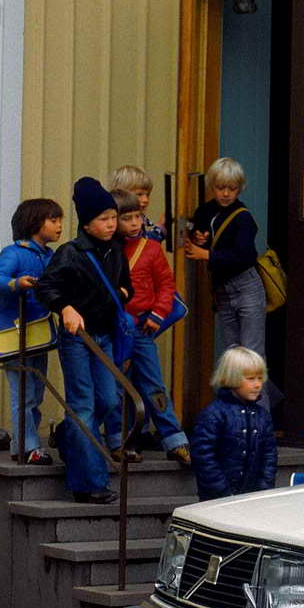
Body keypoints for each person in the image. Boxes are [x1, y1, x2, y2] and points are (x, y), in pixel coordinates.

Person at [33, 177, 134, 504]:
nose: (111, 224)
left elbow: (127, 286)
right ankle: (89, 484)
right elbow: (46, 287)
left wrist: (122, 293)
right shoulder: (71, 253)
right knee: (83, 404)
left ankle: (67, 435)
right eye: (104, 219)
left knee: (108, 400)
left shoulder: (116, 251)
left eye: (113, 217)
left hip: (105, 336)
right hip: (77, 338)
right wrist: (65, 307)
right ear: (87, 223)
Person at [114, 190, 191, 466]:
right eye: (127, 218)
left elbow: (167, 285)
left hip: (143, 327)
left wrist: (158, 314)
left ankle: (175, 440)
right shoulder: (107, 250)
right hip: (116, 327)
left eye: (138, 217)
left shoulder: (151, 249)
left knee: (153, 383)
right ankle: (121, 441)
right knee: (116, 386)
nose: (135, 223)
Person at [0, 197, 63, 463]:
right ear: (34, 223)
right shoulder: (14, 253)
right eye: (53, 220)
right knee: (24, 392)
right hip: (15, 332)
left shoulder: (50, 255)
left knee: (36, 391)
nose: (59, 225)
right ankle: (27, 447)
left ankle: (24, 444)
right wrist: (16, 283)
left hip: (39, 333)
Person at [183, 156, 265, 373]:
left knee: (252, 353)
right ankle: (236, 395)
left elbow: (244, 256)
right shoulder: (206, 211)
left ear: (240, 188)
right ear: (212, 186)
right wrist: (199, 237)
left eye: (232, 188)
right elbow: (199, 228)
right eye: (221, 188)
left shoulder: (243, 217)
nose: (226, 194)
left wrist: (205, 254)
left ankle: (258, 395)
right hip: (222, 289)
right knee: (232, 353)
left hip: (246, 286)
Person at [189, 348, 278, 500]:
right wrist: (222, 492)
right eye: (251, 379)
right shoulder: (213, 414)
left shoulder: (263, 416)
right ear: (231, 378)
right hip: (217, 500)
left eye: (260, 378)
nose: (258, 384)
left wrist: (264, 488)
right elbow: (204, 457)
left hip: (253, 498)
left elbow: (269, 456)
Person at [110, 165, 167, 245]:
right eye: (139, 194)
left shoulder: (139, 217)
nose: (146, 200)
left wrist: (160, 228)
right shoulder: (114, 221)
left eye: (147, 195)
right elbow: (137, 244)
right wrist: (159, 231)